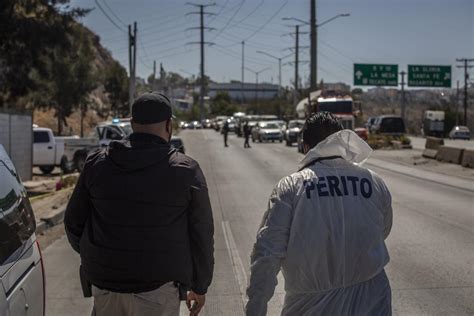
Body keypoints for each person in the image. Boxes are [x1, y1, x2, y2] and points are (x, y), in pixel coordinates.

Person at [64, 92, 214, 316]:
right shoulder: (185, 170)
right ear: (168, 125)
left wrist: (96, 254)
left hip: (106, 288)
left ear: (132, 124)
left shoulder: (97, 164)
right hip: (158, 292)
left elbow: (73, 223)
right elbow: (201, 234)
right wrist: (199, 286)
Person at [246, 112, 393, 316]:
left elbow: (267, 254)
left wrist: (255, 309)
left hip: (310, 306)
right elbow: (382, 230)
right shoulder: (374, 181)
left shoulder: (291, 187)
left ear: (306, 147)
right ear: (341, 140)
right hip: (372, 299)